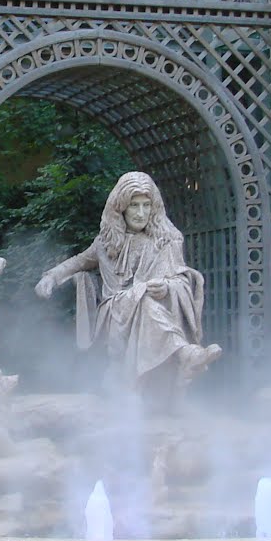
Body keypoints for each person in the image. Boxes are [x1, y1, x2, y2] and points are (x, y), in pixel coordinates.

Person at [35, 171, 220, 399]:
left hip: (154, 307)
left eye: (146, 205)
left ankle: (178, 359)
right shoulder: (105, 243)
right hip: (114, 313)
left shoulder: (166, 240)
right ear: (121, 207)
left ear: (154, 208)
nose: (141, 213)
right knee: (142, 298)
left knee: (145, 300)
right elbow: (78, 261)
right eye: (134, 205)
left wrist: (167, 287)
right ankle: (185, 353)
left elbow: (182, 279)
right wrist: (51, 276)